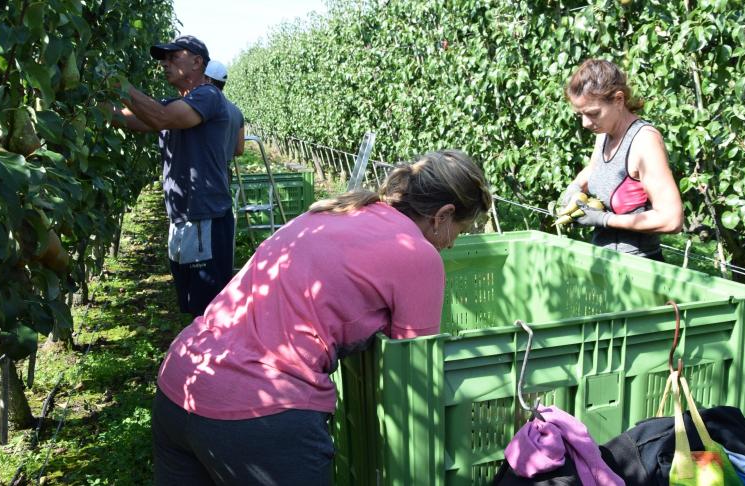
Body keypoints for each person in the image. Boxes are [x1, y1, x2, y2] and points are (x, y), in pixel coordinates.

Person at [151, 150, 491, 485]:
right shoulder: (417, 254)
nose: (451, 244)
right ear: (443, 215)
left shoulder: (338, 210)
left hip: (182, 379)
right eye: (461, 229)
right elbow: (415, 370)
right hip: (261, 412)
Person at [110, 35, 234, 316]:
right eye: (164, 59)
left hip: (205, 218)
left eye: (173, 57)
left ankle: (214, 358)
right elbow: (135, 119)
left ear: (197, 62)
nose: (165, 64)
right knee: (192, 305)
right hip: (182, 218)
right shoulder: (176, 103)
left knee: (209, 312)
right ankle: (197, 356)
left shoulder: (208, 96)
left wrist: (122, 85)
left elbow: (161, 117)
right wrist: (94, 108)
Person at [560, 59, 683, 261]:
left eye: (593, 113)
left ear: (618, 100)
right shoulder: (604, 133)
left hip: (637, 267)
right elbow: (592, 169)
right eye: (580, 114)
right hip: (604, 261)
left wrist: (605, 219)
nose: (585, 123)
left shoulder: (643, 141)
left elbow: (671, 219)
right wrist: (574, 188)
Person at [203, 60, 245, 167]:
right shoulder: (237, 112)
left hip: (205, 171)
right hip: (224, 171)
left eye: (202, 78)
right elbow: (239, 150)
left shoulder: (204, 107)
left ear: (208, 80)